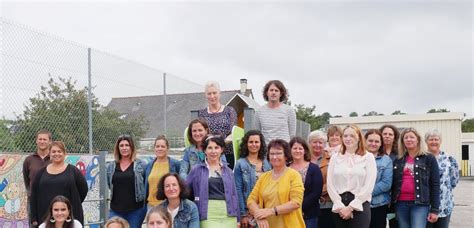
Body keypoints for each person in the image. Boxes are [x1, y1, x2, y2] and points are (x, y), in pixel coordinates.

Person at [247, 139, 305, 228]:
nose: (274, 157)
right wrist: (259, 215)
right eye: (272, 154)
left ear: (286, 156)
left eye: (278, 153)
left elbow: (296, 202)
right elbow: (251, 200)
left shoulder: (294, 175)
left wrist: (271, 211)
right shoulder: (263, 177)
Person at [327, 125, 377, 228]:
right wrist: (339, 204)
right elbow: (330, 183)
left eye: (352, 136)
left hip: (360, 204)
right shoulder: (335, 157)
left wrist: (351, 207)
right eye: (345, 136)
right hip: (339, 205)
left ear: (359, 137)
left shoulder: (368, 157)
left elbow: (369, 185)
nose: (348, 139)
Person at [30, 141, 88, 227]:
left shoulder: (73, 171)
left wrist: (71, 204)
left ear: (64, 154)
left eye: (59, 151)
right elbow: (34, 194)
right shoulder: (41, 173)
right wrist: (34, 218)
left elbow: (83, 189)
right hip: (45, 217)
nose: (56, 154)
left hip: (70, 218)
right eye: (53, 151)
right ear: (49, 154)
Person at [391, 128, 440, 228]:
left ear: (418, 139)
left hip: (420, 204)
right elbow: (393, 183)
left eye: (412, 137)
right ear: (402, 141)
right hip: (400, 203)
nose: (409, 139)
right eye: (406, 137)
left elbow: (435, 184)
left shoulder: (429, 158)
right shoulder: (398, 159)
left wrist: (434, 209)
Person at [186, 136, 239, 227]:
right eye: (210, 148)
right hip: (207, 214)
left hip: (229, 214)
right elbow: (186, 192)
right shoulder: (196, 170)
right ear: (204, 150)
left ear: (221, 150)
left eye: (216, 147)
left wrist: (238, 218)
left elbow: (234, 195)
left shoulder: (228, 171)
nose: (213, 151)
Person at [106, 134, 147, 228]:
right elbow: (110, 184)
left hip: (136, 210)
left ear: (131, 147)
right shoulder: (111, 166)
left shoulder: (141, 165)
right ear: (118, 148)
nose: (124, 148)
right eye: (121, 145)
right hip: (116, 210)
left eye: (127, 145)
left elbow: (145, 185)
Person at [234, 130, 272, 228]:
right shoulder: (240, 164)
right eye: (251, 142)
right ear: (246, 144)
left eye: (256, 142)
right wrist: (243, 214)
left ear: (261, 144)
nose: (253, 144)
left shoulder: (268, 163)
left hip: (266, 211)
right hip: (249, 213)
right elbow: (238, 190)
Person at [198, 81, 237, 169]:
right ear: (205, 95)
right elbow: (202, 134)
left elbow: (233, 132)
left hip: (228, 153)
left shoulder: (229, 111)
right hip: (210, 155)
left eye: (214, 93)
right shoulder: (202, 113)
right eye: (209, 94)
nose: (212, 96)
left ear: (219, 93)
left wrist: (220, 145)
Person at [425, 129, 459, 228]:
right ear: (426, 141)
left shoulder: (449, 159)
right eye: (431, 139)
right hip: (425, 205)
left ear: (440, 141)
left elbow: (454, 181)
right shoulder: (421, 158)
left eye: (436, 139)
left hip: (445, 204)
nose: (434, 142)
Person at [289, 137, 323, 228]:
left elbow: (316, 193)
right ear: (290, 150)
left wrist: (298, 206)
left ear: (305, 151)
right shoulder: (285, 168)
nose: (298, 151)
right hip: (288, 214)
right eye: (295, 148)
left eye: (300, 148)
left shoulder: (314, 168)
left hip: (309, 215)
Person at [365, 129, 393, 228]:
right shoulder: (357, 158)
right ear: (365, 141)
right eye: (370, 141)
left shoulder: (386, 160)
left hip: (378, 205)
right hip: (358, 205)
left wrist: (364, 193)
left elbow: (386, 184)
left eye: (377, 141)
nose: (373, 143)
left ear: (381, 143)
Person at [254, 80, 296, 145]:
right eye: (271, 90)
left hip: (284, 151)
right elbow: (257, 134)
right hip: (266, 151)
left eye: (276, 90)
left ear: (281, 94)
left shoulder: (289, 110)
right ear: (266, 93)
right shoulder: (259, 112)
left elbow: (292, 135)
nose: (273, 93)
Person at [23, 129, 52, 225]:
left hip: (52, 200)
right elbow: (27, 181)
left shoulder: (54, 159)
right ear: (36, 141)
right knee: (34, 225)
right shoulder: (29, 160)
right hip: (33, 201)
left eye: (45, 139)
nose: (42, 141)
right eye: (40, 139)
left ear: (50, 141)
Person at [145, 136, 181, 209]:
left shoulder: (175, 164)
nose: (160, 148)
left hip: (168, 205)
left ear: (167, 148)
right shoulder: (149, 165)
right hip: (151, 206)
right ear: (154, 148)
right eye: (157, 146)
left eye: (162, 146)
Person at [318, 126, 342, 228]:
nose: (334, 137)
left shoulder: (347, 154)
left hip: (343, 203)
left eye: (337, 135)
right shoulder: (322, 155)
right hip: (326, 202)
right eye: (331, 135)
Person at [379, 124, 400, 228]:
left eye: (390, 134)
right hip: (379, 196)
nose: (387, 136)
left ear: (395, 137)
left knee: (394, 223)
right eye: (385, 134)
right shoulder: (375, 153)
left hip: (395, 198)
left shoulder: (400, 154)